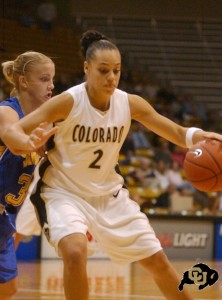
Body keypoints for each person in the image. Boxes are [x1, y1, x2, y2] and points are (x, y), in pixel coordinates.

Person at [2, 30, 222, 300]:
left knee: (158, 263)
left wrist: (199, 136)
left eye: (116, 71)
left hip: (109, 195)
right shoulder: (69, 101)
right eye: (103, 70)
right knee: (74, 252)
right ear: (86, 68)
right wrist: (25, 140)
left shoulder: (129, 103)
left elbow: (177, 133)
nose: (111, 78)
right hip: (63, 193)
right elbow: (13, 132)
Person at [0, 51, 55, 299]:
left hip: (6, 218)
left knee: (8, 288)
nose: (51, 85)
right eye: (44, 79)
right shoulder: (7, 111)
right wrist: (29, 140)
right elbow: (13, 137)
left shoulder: (46, 122)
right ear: (23, 81)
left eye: (52, 79)